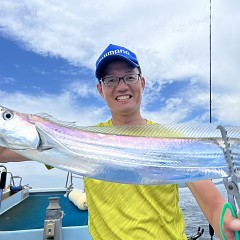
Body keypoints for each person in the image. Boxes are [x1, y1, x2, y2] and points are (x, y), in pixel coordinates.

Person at [1, 43, 240, 239]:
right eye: (110, 80)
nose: (121, 86)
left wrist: (226, 225)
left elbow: (212, 205)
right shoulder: (64, 142)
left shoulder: (173, 141)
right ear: (100, 89)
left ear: (142, 83)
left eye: (129, 76)